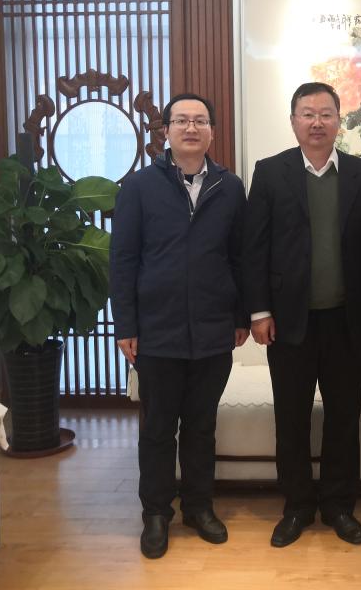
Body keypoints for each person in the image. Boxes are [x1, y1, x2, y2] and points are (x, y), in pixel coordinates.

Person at [110, 92, 250, 559]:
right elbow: (123, 259)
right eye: (182, 120)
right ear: (166, 131)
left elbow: (239, 257)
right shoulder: (139, 186)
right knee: (157, 429)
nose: (191, 128)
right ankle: (156, 513)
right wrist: (126, 324)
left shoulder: (229, 187)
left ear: (212, 132)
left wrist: (239, 316)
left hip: (213, 329)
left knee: (201, 426)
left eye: (200, 121)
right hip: (157, 329)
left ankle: (198, 507)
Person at [243, 82, 361, 548]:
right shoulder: (270, 172)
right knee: (292, 418)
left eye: (326, 114)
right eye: (308, 114)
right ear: (293, 121)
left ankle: (339, 506)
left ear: (339, 121)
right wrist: (259, 311)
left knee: (344, 418)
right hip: (288, 322)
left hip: (347, 320)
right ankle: (298, 506)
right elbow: (255, 247)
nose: (317, 122)